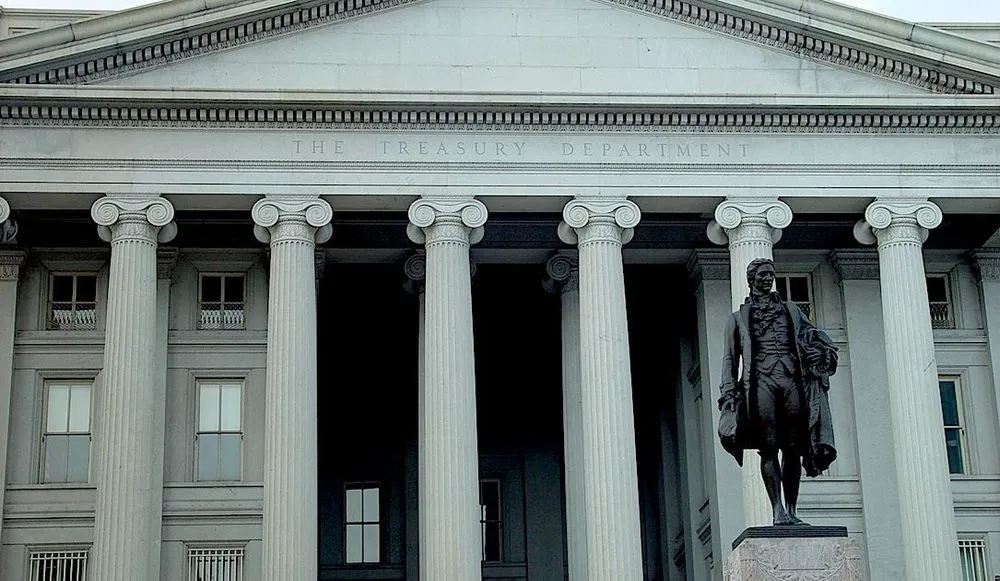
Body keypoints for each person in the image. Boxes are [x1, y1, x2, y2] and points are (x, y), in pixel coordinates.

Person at [717, 258, 838, 526]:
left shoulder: (792, 311)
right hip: (760, 384)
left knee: (793, 447)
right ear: (752, 280)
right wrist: (728, 396)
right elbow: (729, 360)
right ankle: (777, 511)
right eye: (762, 275)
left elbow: (812, 339)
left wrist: (822, 353)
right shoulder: (737, 319)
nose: (768, 279)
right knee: (769, 447)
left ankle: (792, 510)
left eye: (771, 274)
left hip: (791, 381)